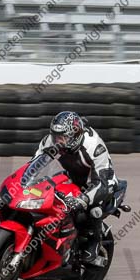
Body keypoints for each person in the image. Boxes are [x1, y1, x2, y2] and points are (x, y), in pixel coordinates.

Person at [33, 111, 118, 263]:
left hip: (100, 181)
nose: (57, 140)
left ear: (75, 135)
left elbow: (102, 183)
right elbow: (34, 165)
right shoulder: (51, 142)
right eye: (55, 135)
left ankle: (94, 243)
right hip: (73, 176)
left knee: (92, 208)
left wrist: (84, 198)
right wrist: (24, 182)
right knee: (49, 193)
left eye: (62, 137)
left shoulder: (94, 146)